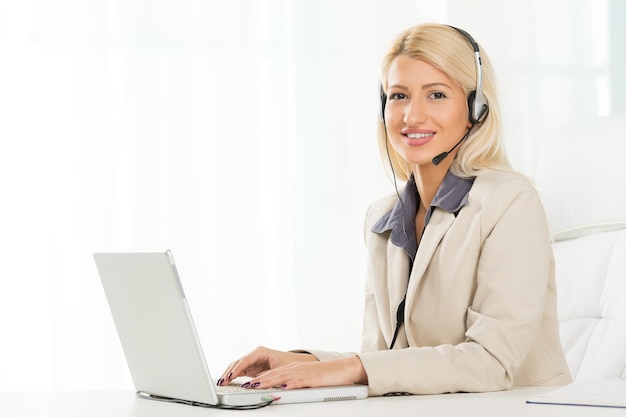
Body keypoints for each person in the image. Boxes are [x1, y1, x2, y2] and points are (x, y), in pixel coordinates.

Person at [217, 22, 572, 396]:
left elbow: (491, 363)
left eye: (436, 95)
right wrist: (305, 362)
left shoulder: (510, 203)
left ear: (475, 108)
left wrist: (349, 368)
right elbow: (386, 358)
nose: (411, 116)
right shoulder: (382, 218)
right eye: (399, 96)